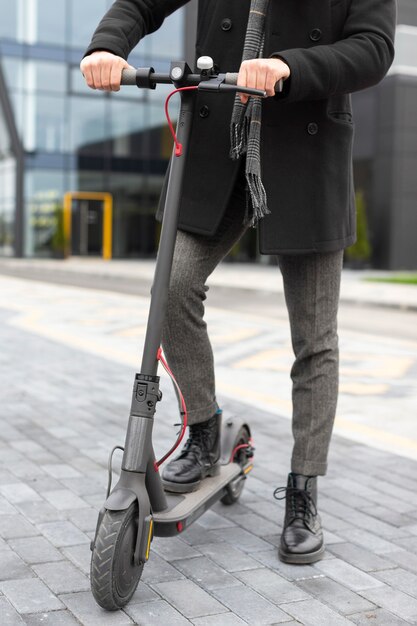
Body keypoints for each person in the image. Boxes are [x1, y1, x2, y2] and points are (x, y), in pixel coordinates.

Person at [81, 0, 396, 564]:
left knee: (314, 338)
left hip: (305, 150)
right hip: (216, 154)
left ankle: (303, 489)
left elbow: (374, 48)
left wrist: (291, 67)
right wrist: (108, 45)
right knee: (172, 286)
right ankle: (204, 430)